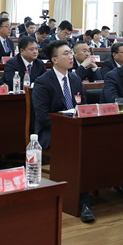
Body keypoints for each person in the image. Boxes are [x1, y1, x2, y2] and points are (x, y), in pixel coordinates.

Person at [31, 41, 95, 222]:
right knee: (77, 146)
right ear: (54, 60)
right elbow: (42, 117)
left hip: (75, 129)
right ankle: (83, 201)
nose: (70, 56)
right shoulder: (43, 82)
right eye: (65, 53)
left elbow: (83, 106)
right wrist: (67, 125)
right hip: (51, 132)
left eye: (70, 53)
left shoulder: (75, 79)